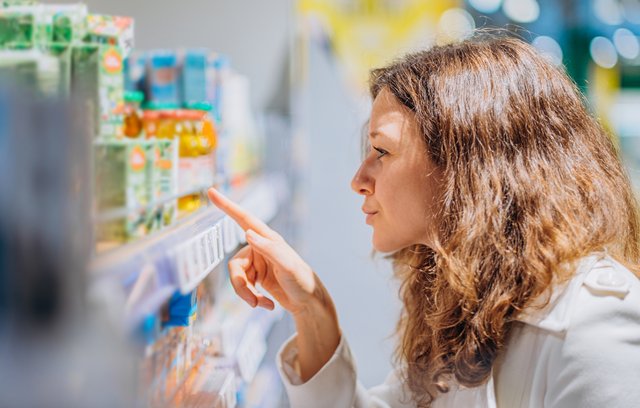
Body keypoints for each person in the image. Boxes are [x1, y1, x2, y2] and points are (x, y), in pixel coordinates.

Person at [207, 34, 640, 407]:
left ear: (468, 165)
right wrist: (313, 309)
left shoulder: (594, 326)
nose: (358, 180)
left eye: (382, 151)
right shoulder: (471, 304)